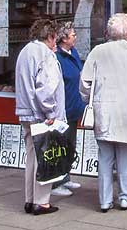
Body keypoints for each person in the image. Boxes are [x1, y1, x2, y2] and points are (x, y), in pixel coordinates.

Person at [80, 13, 127, 212]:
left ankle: (105, 201)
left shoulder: (97, 52)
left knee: (105, 158)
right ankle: (125, 197)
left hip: (104, 113)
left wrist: (89, 100)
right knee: (125, 159)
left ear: (108, 32)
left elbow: (85, 83)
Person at [14, 18, 65, 216]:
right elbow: (46, 88)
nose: (56, 44)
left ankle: (29, 199)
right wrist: (51, 112)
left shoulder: (25, 51)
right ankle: (41, 202)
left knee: (31, 157)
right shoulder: (46, 55)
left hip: (25, 112)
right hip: (41, 115)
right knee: (46, 158)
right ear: (51, 36)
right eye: (55, 39)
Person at [50, 22, 84, 197]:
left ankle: (65, 176)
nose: (75, 37)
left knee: (70, 145)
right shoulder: (57, 58)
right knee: (60, 146)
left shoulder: (74, 53)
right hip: (63, 109)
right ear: (64, 39)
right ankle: (56, 183)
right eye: (73, 35)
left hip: (74, 108)